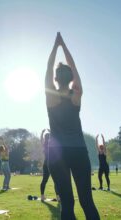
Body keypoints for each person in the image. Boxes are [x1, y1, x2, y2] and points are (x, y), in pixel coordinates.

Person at [45, 32, 100, 219]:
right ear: (70, 78)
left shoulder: (50, 95)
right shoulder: (76, 95)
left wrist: (55, 46)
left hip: (57, 154)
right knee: (87, 201)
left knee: (67, 204)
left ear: (55, 79)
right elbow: (74, 66)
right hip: (78, 151)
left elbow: (48, 66)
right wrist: (64, 46)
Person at [40, 129, 59, 201]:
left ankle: (42, 196)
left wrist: (42, 133)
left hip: (45, 164)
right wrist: (52, 132)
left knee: (44, 180)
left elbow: (41, 140)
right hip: (52, 164)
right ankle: (58, 197)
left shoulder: (44, 146)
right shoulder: (52, 145)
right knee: (56, 181)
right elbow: (55, 138)